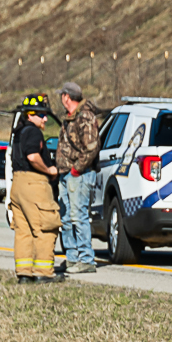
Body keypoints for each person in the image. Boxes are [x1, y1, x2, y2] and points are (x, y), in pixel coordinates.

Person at [7, 96, 61, 283]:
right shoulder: (33, 132)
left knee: (24, 231)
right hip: (34, 184)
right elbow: (32, 156)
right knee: (46, 228)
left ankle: (24, 274)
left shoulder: (18, 132)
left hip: (18, 185)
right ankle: (43, 273)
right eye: (42, 115)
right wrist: (49, 170)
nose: (45, 119)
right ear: (30, 115)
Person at [55, 80, 104, 274]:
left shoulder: (85, 116)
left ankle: (86, 259)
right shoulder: (70, 118)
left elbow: (92, 147)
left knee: (78, 216)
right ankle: (72, 258)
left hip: (80, 175)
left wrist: (76, 169)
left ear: (67, 97)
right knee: (66, 218)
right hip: (66, 174)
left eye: (62, 95)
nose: (61, 98)